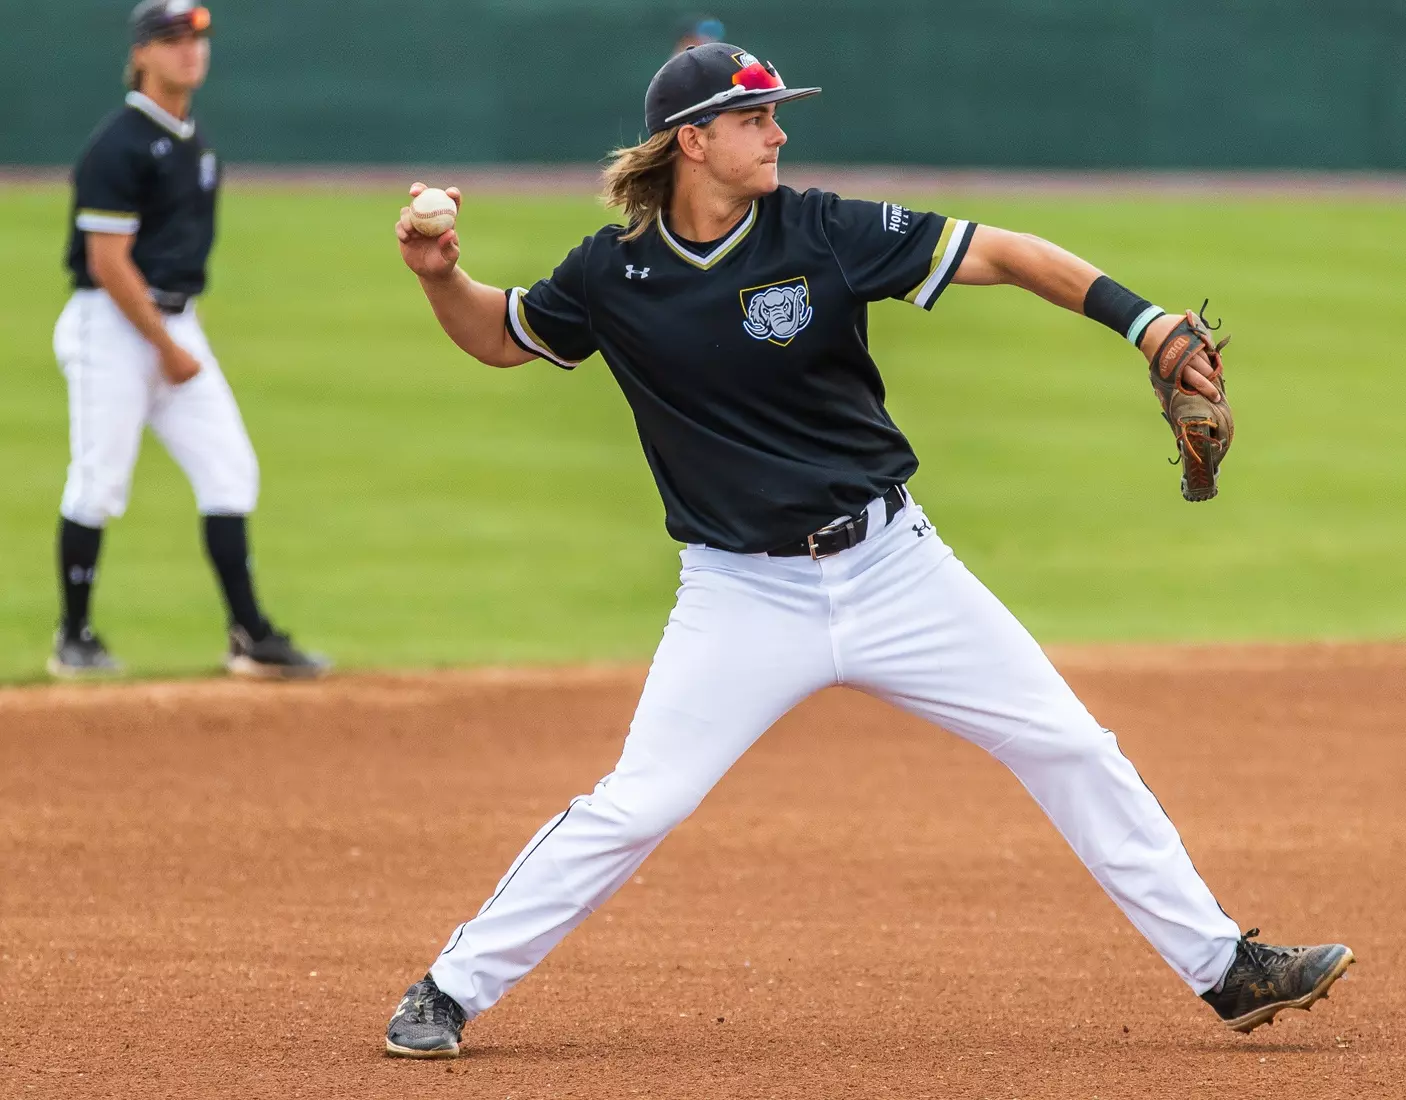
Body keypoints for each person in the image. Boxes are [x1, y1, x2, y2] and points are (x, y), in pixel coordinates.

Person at [383, 42, 1352, 1059]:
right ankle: (449, 985)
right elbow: (502, 333)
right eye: (756, 118)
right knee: (639, 802)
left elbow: (1005, 251)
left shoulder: (824, 229)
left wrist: (1143, 322)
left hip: (897, 567)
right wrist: (442, 275)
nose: (780, 132)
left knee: (1069, 744)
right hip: (740, 594)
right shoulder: (611, 273)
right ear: (694, 140)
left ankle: (1224, 966)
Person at [49, 0, 327, 681]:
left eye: (196, 39)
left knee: (230, 470)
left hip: (171, 322)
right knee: (98, 483)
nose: (189, 51)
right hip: (111, 326)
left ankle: (250, 637)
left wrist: (176, 339)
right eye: (172, 39)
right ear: (141, 54)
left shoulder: (191, 141)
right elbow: (109, 262)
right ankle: (73, 637)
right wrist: (165, 347)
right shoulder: (118, 144)